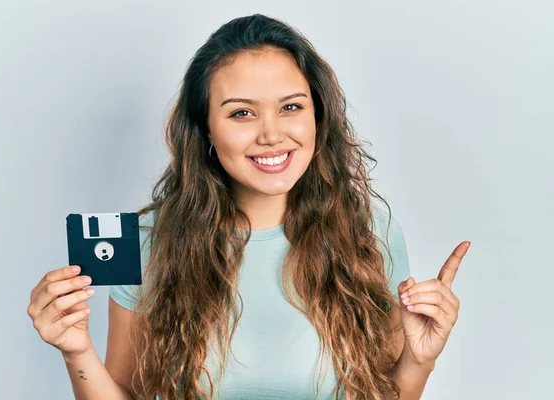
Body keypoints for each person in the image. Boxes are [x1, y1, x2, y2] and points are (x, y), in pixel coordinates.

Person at [27, 13, 470, 400]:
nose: (271, 134)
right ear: (204, 131)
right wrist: (76, 351)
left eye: (291, 107)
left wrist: (418, 360)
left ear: (318, 116)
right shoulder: (146, 242)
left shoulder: (370, 229)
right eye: (242, 113)